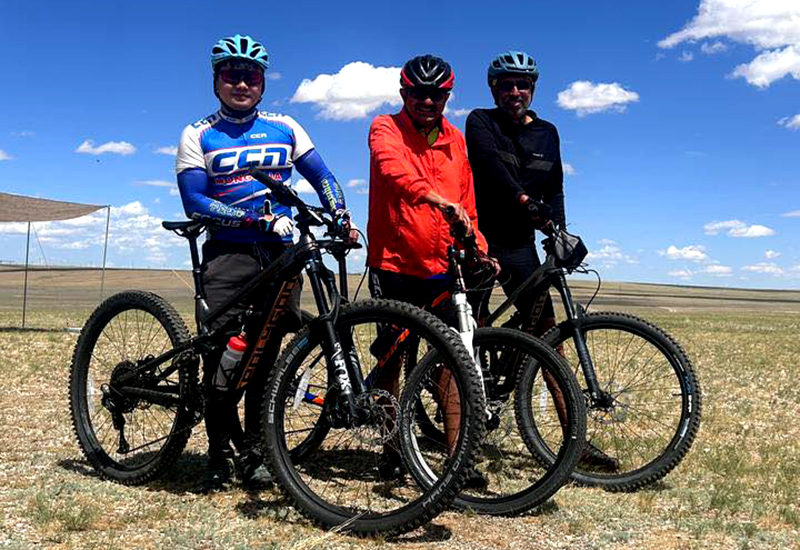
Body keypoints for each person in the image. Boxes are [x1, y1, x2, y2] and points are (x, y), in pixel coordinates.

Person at [175, 34, 350, 491]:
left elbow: (323, 176)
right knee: (223, 356)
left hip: (280, 255)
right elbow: (195, 198)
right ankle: (217, 452)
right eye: (231, 75)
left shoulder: (286, 127)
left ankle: (253, 452)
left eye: (249, 75)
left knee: (267, 357)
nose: (241, 83)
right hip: (229, 252)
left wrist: (341, 214)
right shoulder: (198, 132)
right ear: (216, 81)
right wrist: (254, 216)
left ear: (262, 82)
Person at [465, 50, 618, 471]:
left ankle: (575, 441)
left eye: (523, 85)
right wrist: (523, 199)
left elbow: (556, 187)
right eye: (506, 85)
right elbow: (489, 166)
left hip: (519, 243)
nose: (515, 92)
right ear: (493, 89)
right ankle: (464, 433)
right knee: (468, 334)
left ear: (533, 89)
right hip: (479, 241)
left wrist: (560, 233)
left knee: (549, 334)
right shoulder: (480, 120)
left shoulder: (548, 131)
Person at [367, 54, 495, 485]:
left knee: (453, 358)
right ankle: (391, 450)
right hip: (396, 261)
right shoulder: (386, 128)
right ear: (404, 93)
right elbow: (392, 171)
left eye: (436, 95)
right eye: (417, 93)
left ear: (447, 96)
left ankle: (460, 460)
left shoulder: (455, 140)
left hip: (444, 265)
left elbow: (468, 201)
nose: (426, 101)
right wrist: (437, 200)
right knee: (392, 357)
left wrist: (479, 247)